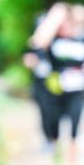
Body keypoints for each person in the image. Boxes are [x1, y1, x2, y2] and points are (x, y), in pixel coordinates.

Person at [30, 2, 84, 165]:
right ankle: (56, 149)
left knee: (75, 123)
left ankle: (72, 162)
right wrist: (55, 16)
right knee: (52, 122)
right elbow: (37, 42)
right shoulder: (52, 35)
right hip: (54, 87)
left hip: (78, 87)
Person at [23, 11, 58, 153]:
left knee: (56, 111)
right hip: (40, 81)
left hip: (57, 81)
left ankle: (56, 138)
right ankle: (48, 139)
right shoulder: (34, 44)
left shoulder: (59, 43)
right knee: (45, 111)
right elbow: (27, 60)